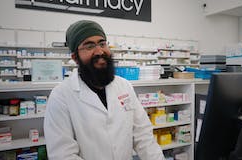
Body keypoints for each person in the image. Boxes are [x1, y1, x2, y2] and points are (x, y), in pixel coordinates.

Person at [44, 20, 165, 160]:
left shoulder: (124, 86)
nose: (100, 51)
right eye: (89, 46)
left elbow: (143, 135)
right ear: (75, 57)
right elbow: (63, 155)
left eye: (102, 43)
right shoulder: (61, 96)